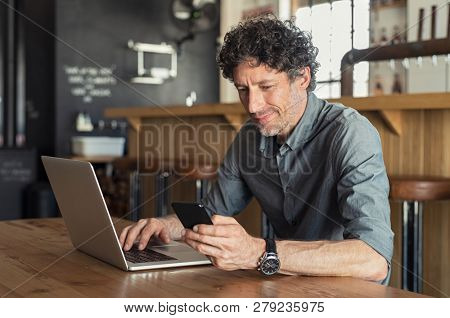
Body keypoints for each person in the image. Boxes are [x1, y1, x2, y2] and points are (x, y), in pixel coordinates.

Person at [120, 15, 393, 283]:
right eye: (243, 89)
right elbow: (214, 211)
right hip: (287, 284)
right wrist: (164, 226)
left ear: (303, 78)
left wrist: (258, 252)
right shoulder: (250, 136)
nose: (252, 106)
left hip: (346, 293)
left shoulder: (350, 133)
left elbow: (374, 260)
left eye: (266, 86)